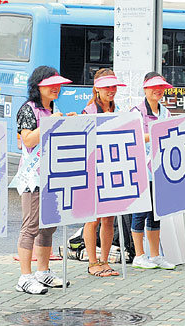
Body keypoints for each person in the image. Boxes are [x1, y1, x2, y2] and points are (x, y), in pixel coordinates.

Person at [15, 66, 74, 294]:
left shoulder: (53, 108)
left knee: (48, 225)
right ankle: (24, 277)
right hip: (33, 177)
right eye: (52, 84)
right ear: (38, 85)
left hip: (53, 175)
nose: (56, 88)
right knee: (30, 226)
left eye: (58, 84)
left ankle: (43, 272)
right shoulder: (28, 110)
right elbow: (27, 140)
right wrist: (49, 124)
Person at [82, 68, 126, 277]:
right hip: (94, 170)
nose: (111, 90)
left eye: (113, 86)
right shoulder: (89, 111)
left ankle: (105, 261)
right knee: (93, 218)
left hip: (112, 169)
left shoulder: (119, 109)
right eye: (107, 86)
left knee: (109, 218)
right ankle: (92, 263)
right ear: (96, 89)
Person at [129, 72, 176, 270]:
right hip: (142, 169)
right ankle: (139, 255)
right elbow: (133, 136)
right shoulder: (137, 111)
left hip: (160, 170)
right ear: (145, 89)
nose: (158, 91)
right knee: (141, 212)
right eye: (154, 87)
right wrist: (157, 134)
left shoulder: (165, 112)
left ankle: (155, 255)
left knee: (156, 214)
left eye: (161, 87)